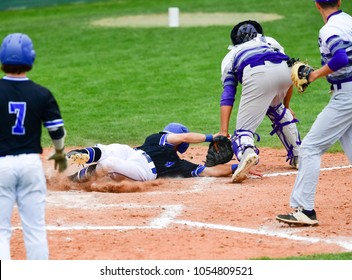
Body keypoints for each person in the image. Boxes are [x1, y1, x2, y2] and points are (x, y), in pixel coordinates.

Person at [276, 0, 352, 226]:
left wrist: (314, 75)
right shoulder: (348, 20)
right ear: (339, 1)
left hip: (346, 96)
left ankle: (304, 210)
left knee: (310, 148)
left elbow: (340, 58)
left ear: (316, 4)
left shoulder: (329, 29)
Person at [0, 33, 67, 260]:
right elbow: (56, 131)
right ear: (31, 59)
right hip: (30, 165)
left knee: (0, 231)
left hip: (0, 166)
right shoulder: (41, 93)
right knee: (35, 229)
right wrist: (59, 153)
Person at [219, 20, 301, 183]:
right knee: (277, 110)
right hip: (286, 72)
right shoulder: (270, 41)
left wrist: (223, 130)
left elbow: (228, 94)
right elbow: (290, 68)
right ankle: (299, 155)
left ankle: (247, 152)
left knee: (242, 133)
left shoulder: (230, 56)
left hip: (257, 72)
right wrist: (286, 106)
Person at [66, 122, 261, 182]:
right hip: (132, 154)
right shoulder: (156, 139)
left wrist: (240, 166)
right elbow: (183, 138)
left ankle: (75, 179)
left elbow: (211, 171)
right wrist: (212, 137)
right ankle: (83, 155)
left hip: (142, 170)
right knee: (113, 148)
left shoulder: (181, 165)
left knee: (108, 164)